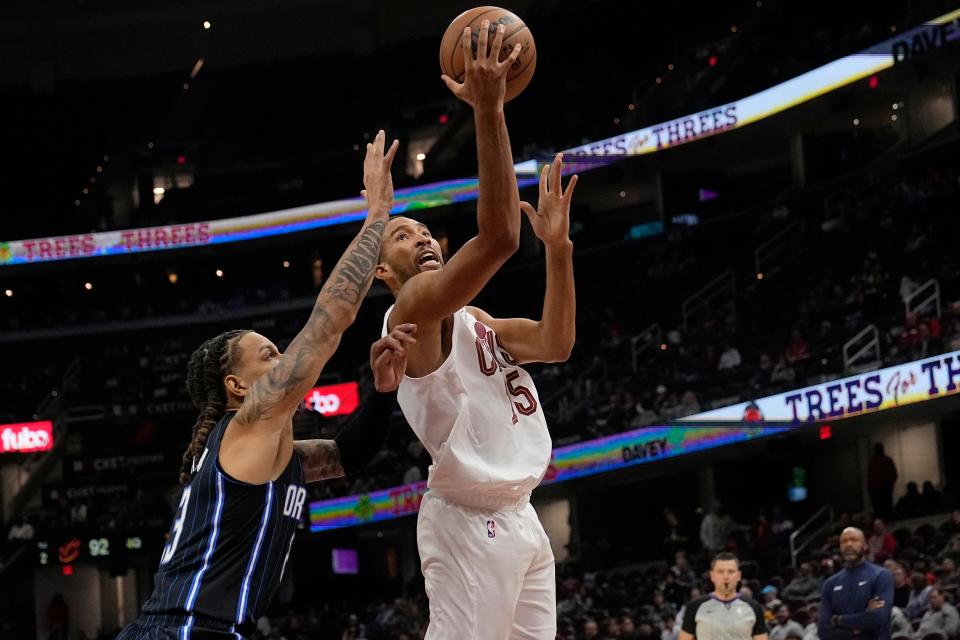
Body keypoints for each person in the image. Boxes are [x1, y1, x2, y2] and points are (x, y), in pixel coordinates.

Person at [116, 132, 414, 640]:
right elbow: (327, 323)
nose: (283, 361)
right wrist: (376, 218)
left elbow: (348, 454)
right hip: (183, 631)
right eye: (269, 355)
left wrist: (383, 394)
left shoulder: (278, 453)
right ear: (237, 385)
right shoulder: (247, 423)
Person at [375, 21, 573, 640]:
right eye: (402, 236)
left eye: (425, 231)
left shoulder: (474, 320)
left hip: (521, 514)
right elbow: (498, 238)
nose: (422, 238)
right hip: (468, 521)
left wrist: (560, 252)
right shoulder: (412, 313)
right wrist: (488, 111)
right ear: (383, 270)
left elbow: (554, 343)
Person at [818, 527, 893, 640]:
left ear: (865, 545)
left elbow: (878, 617)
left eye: (854, 540)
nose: (848, 544)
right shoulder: (830, 584)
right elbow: (823, 630)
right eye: (844, 541)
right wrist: (857, 628)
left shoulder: (880, 576)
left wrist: (838, 620)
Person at [679, 552, 767, 640]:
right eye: (720, 572)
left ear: (738, 576)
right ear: (712, 576)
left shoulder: (754, 608)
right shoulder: (694, 607)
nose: (726, 576)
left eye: (731, 571)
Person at [868, 444, 898, 520]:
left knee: (883, 508)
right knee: (882, 508)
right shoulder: (876, 461)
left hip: (882, 488)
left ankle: (886, 520)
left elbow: (893, 474)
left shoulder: (874, 462)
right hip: (879, 488)